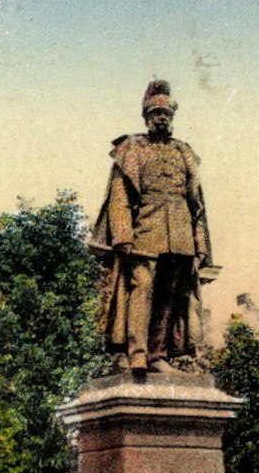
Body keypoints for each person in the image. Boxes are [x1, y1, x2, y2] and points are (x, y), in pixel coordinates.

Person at [89, 80, 215, 373]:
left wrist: (200, 243)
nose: (162, 118)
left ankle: (158, 355)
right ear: (146, 117)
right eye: (156, 113)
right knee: (142, 290)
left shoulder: (184, 152)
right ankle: (137, 352)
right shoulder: (132, 149)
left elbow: (196, 203)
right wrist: (123, 236)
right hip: (146, 232)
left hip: (180, 234)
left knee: (170, 296)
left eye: (167, 114)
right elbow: (119, 197)